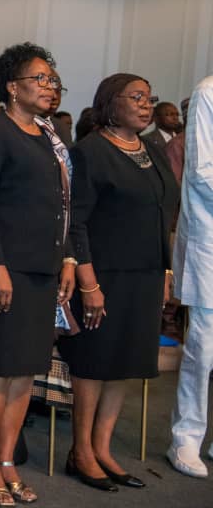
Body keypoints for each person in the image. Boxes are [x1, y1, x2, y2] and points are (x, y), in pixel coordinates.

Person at [58, 73, 178, 492]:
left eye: (150, 98)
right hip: (103, 276)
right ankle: (81, 451)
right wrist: (88, 283)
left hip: (145, 277)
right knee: (95, 364)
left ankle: (103, 447)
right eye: (137, 97)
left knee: (124, 363)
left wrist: (165, 272)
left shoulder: (152, 150)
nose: (146, 105)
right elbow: (75, 222)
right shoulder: (89, 152)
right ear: (111, 103)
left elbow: (164, 214)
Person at [0, 43, 76, 506]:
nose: (50, 87)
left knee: (26, 372)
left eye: (54, 80)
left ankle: (6, 458)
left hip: (43, 271)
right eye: (40, 79)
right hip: (7, 269)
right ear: (12, 87)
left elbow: (62, 206)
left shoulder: (50, 136)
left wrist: (68, 259)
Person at [167, 78, 213, 477]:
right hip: (208, 239)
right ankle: (186, 436)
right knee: (203, 348)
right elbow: (201, 173)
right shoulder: (208, 93)